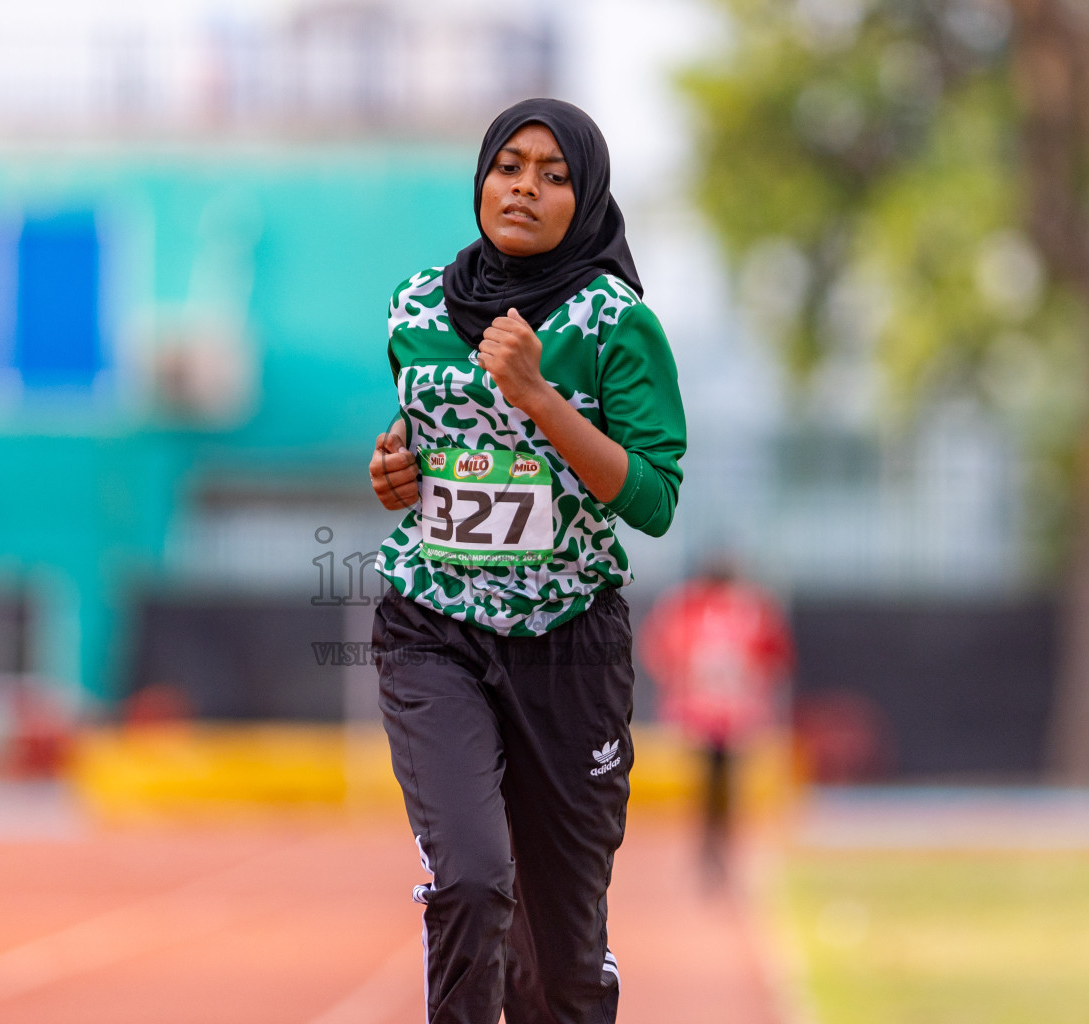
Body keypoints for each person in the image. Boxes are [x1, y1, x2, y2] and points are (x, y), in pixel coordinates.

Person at [365, 98, 686, 1024]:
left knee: (563, 957)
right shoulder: (417, 306)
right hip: (435, 628)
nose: (526, 188)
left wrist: (539, 394)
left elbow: (654, 500)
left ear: (583, 200)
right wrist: (395, 465)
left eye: (554, 175)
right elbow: (427, 437)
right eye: (510, 166)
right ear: (481, 179)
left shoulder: (614, 323)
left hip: (568, 643)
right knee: (468, 881)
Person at [639, 561, 793, 883]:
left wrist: (676, 687)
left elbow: (661, 650)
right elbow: (775, 655)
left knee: (713, 780)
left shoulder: (687, 607)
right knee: (723, 781)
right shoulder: (749, 609)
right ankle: (717, 845)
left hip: (705, 709)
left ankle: (712, 846)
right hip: (731, 709)